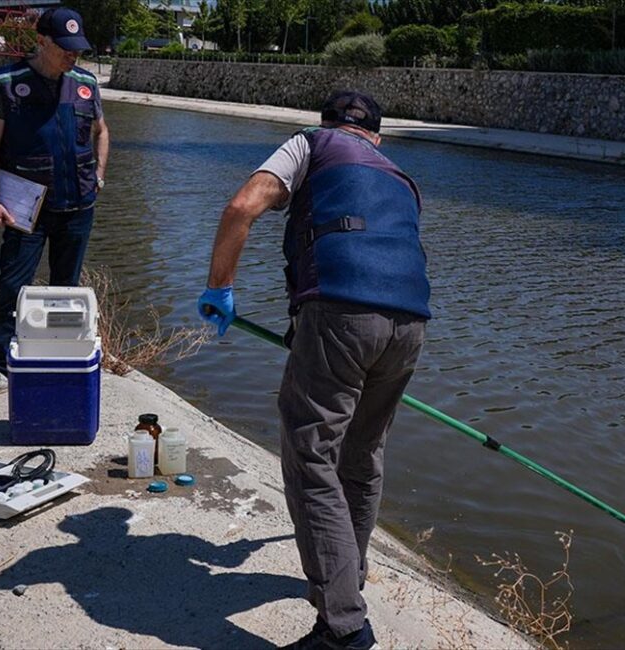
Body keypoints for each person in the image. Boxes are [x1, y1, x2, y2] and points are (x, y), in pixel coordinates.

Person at [197, 91, 429, 650]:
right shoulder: (399, 176)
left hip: (339, 312)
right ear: (377, 136)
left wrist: (220, 287)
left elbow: (242, 207)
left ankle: (343, 628)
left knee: (310, 456)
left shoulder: (310, 144)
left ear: (327, 125)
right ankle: (349, 573)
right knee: (363, 453)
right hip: (411, 324)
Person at [0, 7, 110, 404]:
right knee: (12, 285)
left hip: (78, 204)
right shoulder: (6, 83)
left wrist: (98, 174)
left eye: (77, 49)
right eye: (65, 48)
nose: (72, 56)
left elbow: (101, 131)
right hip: (26, 208)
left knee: (66, 291)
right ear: (42, 41)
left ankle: (55, 363)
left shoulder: (84, 82)